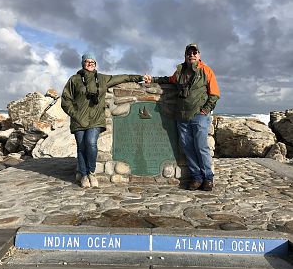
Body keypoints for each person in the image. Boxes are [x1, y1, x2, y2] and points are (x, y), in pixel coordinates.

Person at [144, 43, 220, 191]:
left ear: (199, 55)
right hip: (182, 116)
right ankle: (196, 177)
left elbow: (215, 93)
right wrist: (152, 80)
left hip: (199, 115)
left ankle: (208, 178)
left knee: (201, 147)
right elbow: (168, 80)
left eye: (194, 53)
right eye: (189, 53)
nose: (192, 55)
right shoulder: (180, 72)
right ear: (185, 56)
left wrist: (205, 109)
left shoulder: (206, 71)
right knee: (188, 148)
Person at [61, 53, 143, 188]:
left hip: (96, 119)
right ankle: (83, 175)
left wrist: (140, 78)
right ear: (83, 63)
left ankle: (91, 172)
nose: (90, 64)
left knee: (91, 143)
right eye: (87, 61)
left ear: (95, 64)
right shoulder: (74, 79)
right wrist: (74, 114)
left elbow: (122, 78)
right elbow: (66, 99)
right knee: (81, 147)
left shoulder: (102, 79)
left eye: (92, 62)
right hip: (78, 120)